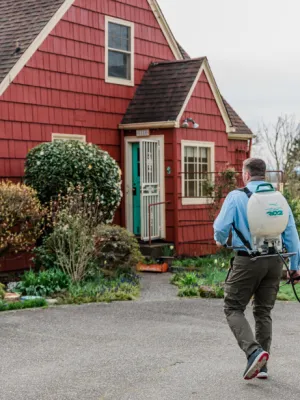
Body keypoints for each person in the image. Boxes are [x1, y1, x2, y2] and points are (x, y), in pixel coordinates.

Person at [213, 158, 300, 380]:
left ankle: (253, 352)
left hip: (247, 260)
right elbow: (292, 234)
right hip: (275, 260)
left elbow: (221, 228)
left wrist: (221, 240)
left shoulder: (236, 196)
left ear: (246, 174)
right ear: (265, 174)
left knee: (232, 307)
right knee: (263, 311)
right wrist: (294, 266)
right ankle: (262, 367)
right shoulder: (278, 198)